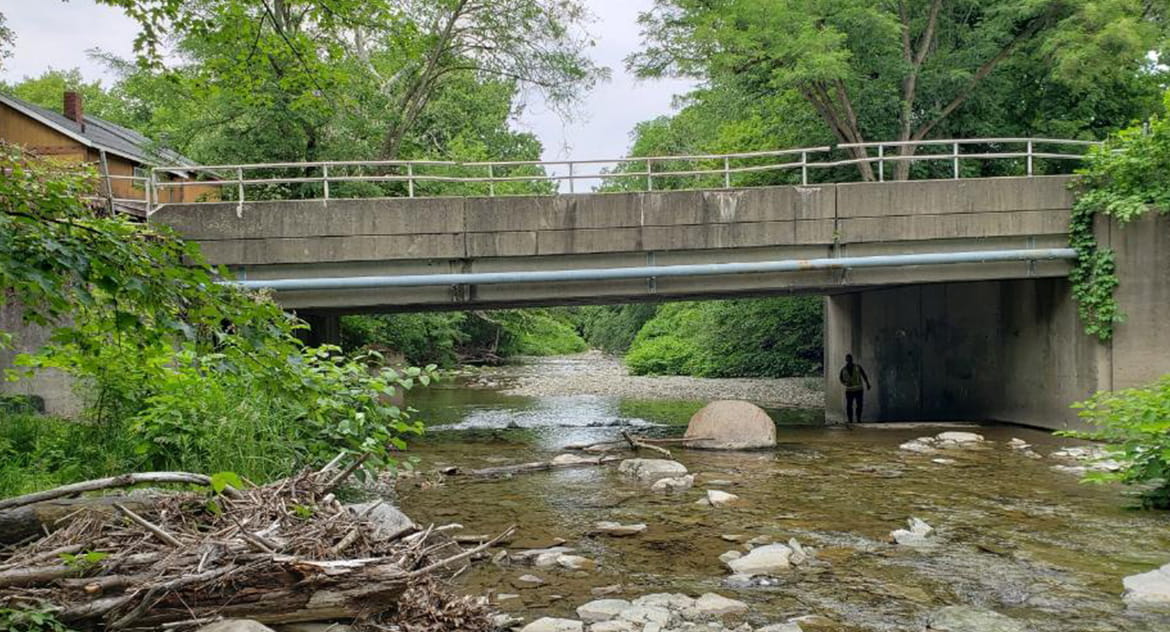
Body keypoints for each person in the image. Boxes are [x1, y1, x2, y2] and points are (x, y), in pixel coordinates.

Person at [838, 353, 871, 423]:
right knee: (849, 405)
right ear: (846, 360)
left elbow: (864, 375)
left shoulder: (857, 367)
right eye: (847, 359)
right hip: (849, 390)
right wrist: (845, 383)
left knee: (859, 405)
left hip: (859, 389)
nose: (849, 360)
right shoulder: (843, 369)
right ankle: (850, 420)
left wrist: (867, 383)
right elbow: (841, 379)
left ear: (852, 359)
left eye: (850, 359)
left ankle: (858, 418)